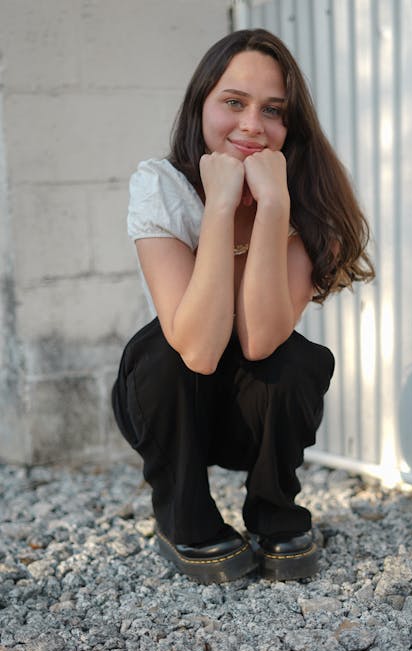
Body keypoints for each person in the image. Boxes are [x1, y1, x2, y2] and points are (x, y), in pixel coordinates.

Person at [112, 28, 374, 584]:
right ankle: (183, 515)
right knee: (159, 351)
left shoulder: (309, 203)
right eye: (234, 102)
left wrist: (275, 204)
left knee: (298, 360)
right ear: (200, 105)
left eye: (273, 110)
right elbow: (200, 349)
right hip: (175, 404)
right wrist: (221, 204)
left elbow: (260, 341)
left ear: (290, 126)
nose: (253, 125)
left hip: (250, 410)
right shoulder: (160, 185)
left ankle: (274, 511)